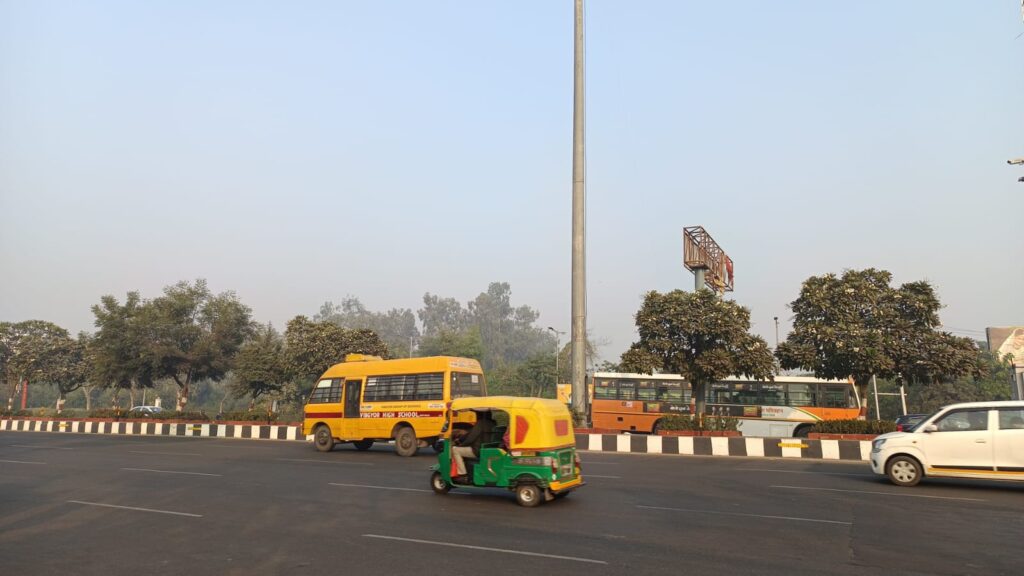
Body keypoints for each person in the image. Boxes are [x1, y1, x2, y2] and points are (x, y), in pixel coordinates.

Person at [451, 410, 495, 481]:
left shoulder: (481, 423)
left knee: (455, 450)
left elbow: (471, 438)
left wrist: (461, 444)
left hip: (477, 450)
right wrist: (461, 439)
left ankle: (462, 474)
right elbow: (469, 434)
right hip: (487, 448)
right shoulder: (493, 423)